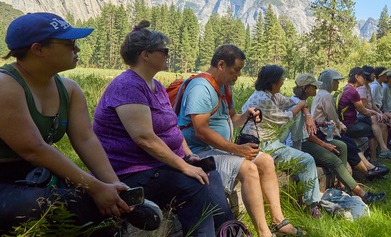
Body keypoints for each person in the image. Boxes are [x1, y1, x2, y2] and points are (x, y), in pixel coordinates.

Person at [0, 13, 156, 234]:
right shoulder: (5, 85)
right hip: (7, 180)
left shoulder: (69, 89)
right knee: (77, 204)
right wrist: (95, 188)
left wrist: (116, 190)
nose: (77, 49)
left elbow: (86, 140)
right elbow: (34, 149)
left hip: (33, 176)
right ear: (38, 49)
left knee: (109, 209)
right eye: (69, 43)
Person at [93, 21, 234, 236]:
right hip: (132, 170)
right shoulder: (128, 86)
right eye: (164, 50)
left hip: (157, 164)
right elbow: (144, 138)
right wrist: (183, 167)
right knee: (192, 186)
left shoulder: (156, 85)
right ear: (145, 55)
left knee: (209, 172)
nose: (168, 54)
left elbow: (171, 128)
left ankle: (227, 229)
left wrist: (189, 156)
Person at [178, 45, 304, 236]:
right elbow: (201, 132)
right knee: (249, 169)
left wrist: (247, 114)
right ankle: (264, 232)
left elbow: (233, 119)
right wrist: (236, 149)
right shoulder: (201, 87)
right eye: (236, 69)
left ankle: (279, 221)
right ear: (221, 64)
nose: (238, 74)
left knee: (266, 161)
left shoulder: (224, 88)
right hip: (198, 152)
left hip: (219, 149)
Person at [239, 65, 323, 208]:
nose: (283, 82)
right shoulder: (262, 99)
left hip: (269, 141)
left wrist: (305, 109)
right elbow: (284, 118)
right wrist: (302, 105)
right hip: (262, 145)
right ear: (272, 82)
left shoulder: (269, 95)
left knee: (305, 160)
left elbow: (289, 102)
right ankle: (313, 205)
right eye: (281, 80)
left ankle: (312, 202)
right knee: (307, 160)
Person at [294, 73, 386, 203]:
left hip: (311, 136)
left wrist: (321, 123)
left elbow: (310, 122)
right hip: (301, 143)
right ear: (305, 88)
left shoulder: (304, 102)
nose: (316, 89)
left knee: (342, 145)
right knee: (336, 159)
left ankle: (343, 185)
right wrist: (324, 144)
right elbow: (304, 134)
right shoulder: (299, 104)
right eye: (313, 86)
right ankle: (363, 195)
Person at [311, 69, 389, 179]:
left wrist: (340, 126)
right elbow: (332, 117)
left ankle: (369, 167)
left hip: (325, 128)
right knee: (348, 145)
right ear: (329, 82)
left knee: (350, 142)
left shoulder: (322, 94)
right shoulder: (326, 96)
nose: (338, 83)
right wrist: (340, 127)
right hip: (323, 131)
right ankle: (367, 171)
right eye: (336, 81)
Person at [337, 67, 391, 162]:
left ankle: (383, 150)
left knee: (374, 120)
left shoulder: (348, 88)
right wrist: (377, 113)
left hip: (349, 120)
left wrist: (376, 112)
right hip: (348, 125)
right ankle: (374, 159)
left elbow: (365, 109)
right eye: (363, 76)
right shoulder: (353, 91)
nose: (365, 78)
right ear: (357, 77)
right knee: (372, 131)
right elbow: (364, 111)